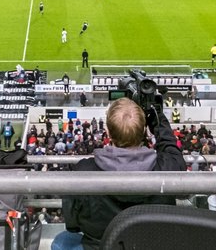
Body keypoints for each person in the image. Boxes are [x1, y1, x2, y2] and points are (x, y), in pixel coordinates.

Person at [53, 98, 186, 250]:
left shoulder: (84, 170)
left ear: (108, 132)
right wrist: (157, 118)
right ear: (143, 130)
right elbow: (170, 148)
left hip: (100, 245)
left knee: (61, 241)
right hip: (152, 244)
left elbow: (72, 224)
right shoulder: (168, 167)